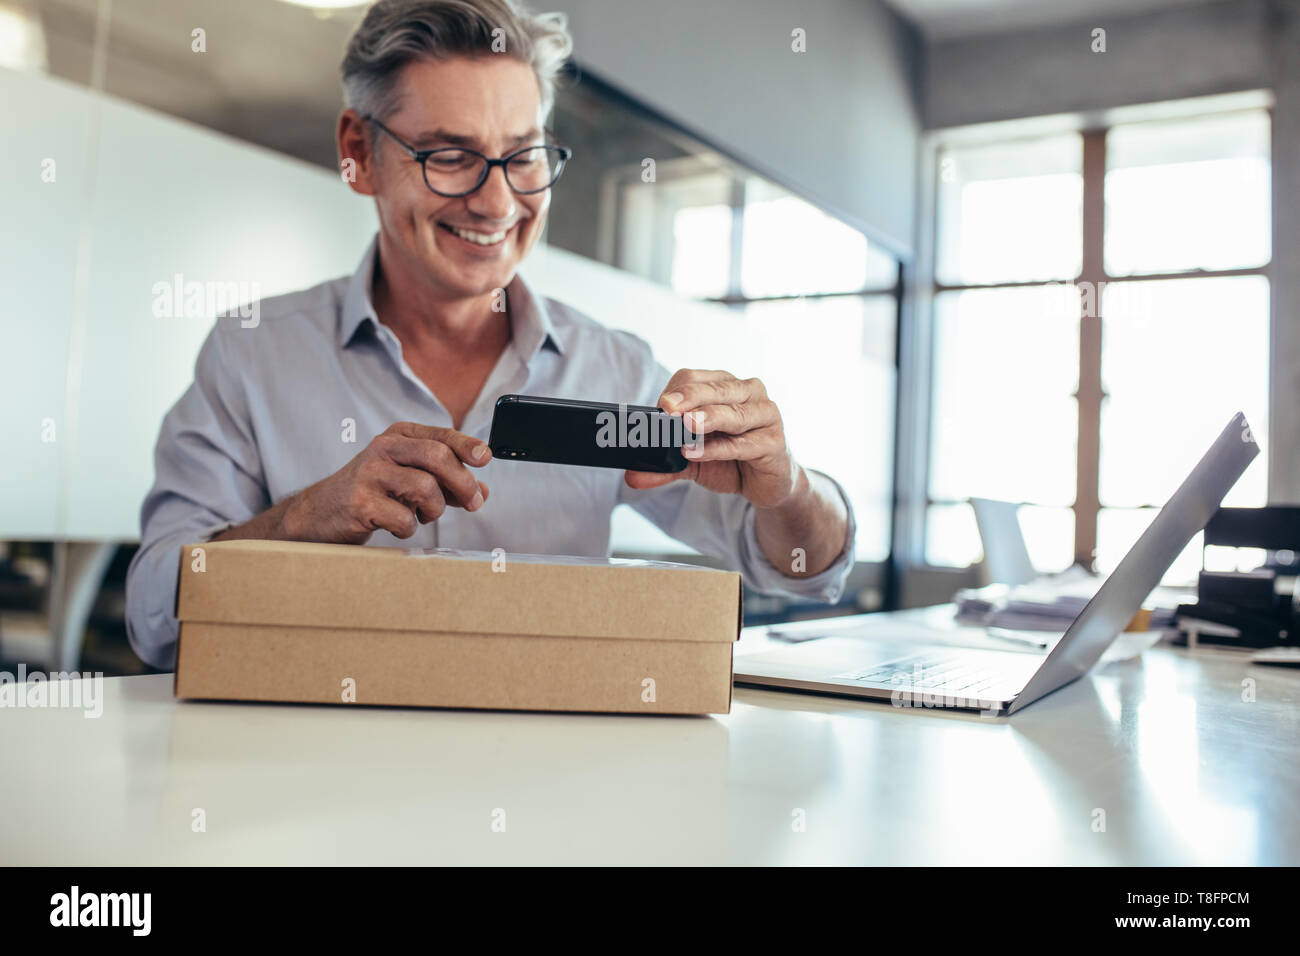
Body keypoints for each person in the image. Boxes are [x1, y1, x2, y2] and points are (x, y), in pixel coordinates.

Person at [125, 0, 855, 670]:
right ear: (360, 151)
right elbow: (155, 618)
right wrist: (304, 521)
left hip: (546, 786)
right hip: (318, 780)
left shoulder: (613, 369)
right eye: (449, 155)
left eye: (523, 154)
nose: (499, 201)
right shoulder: (251, 352)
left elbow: (806, 571)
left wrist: (787, 486)